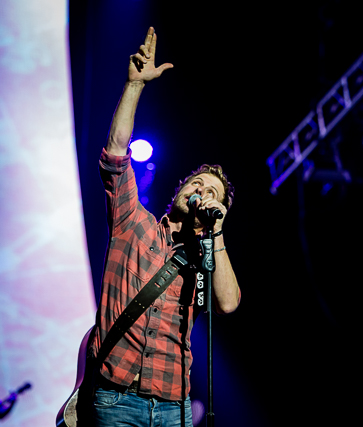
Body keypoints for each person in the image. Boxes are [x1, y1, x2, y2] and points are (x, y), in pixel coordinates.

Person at [89, 27, 240, 427]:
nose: (202, 191)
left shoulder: (205, 258)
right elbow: (115, 153)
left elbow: (227, 303)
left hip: (175, 407)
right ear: (180, 190)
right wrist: (134, 85)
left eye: (212, 193)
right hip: (117, 401)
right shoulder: (133, 222)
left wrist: (216, 233)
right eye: (197, 183)